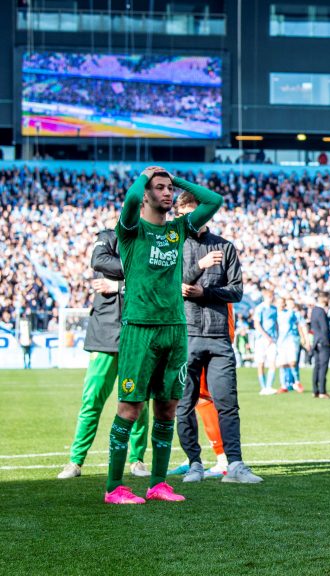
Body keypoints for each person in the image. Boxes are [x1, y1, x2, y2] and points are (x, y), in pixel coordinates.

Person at [103, 165, 223, 504]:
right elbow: (130, 201)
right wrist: (146, 176)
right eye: (160, 188)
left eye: (169, 188)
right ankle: (114, 488)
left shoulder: (177, 229)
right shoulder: (130, 230)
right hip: (140, 328)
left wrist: (175, 178)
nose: (167, 192)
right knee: (130, 408)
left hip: (175, 329)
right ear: (145, 195)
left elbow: (214, 201)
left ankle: (158, 485)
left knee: (168, 409)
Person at [174, 191, 261, 484]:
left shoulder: (225, 247)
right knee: (184, 404)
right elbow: (167, 285)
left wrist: (205, 292)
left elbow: (236, 291)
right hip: (185, 335)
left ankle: (234, 464)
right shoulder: (174, 245)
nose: (187, 219)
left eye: (192, 214)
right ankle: (194, 463)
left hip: (218, 337)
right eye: (182, 215)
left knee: (227, 402)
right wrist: (198, 267)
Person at [58, 229, 150, 480]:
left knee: (138, 402)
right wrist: (136, 271)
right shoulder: (109, 236)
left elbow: (153, 280)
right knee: (92, 400)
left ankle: (137, 460)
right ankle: (75, 461)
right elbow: (99, 260)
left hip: (137, 333)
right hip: (105, 334)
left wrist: (118, 285)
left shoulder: (148, 240)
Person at [275, 297, 305, 394]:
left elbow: (300, 325)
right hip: (280, 341)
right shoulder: (276, 314)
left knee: (292, 362)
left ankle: (297, 382)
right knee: (282, 364)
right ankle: (283, 385)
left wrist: (303, 337)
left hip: (291, 340)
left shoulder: (292, 313)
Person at [253, 288, 279, 395]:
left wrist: (276, 336)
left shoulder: (274, 309)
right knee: (261, 363)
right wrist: (266, 336)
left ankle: (269, 386)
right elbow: (257, 324)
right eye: (269, 296)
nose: (271, 298)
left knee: (272, 362)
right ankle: (263, 387)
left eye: (272, 296)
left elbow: (276, 323)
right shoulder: (260, 308)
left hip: (272, 339)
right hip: (261, 339)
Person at [310, 292, 330, 399]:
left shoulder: (314, 310)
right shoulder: (321, 311)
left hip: (316, 341)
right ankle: (322, 391)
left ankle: (315, 390)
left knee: (317, 366)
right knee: (323, 367)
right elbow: (325, 329)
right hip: (324, 342)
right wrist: (329, 342)